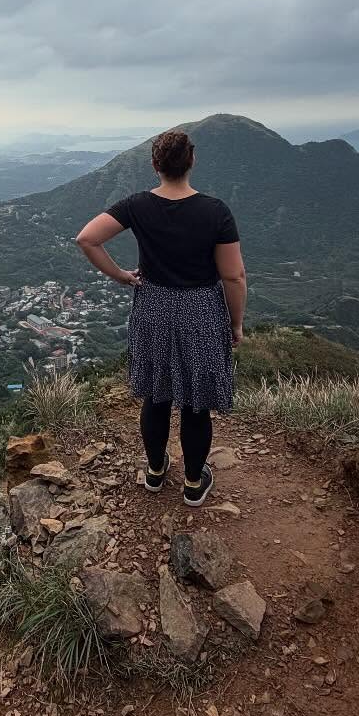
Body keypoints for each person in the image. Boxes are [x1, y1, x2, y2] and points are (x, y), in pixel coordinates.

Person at [75, 129, 245, 506]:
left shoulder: (137, 204)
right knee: (196, 401)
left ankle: (154, 471)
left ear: (155, 166)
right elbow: (233, 275)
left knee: (156, 394)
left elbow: (87, 238)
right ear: (192, 161)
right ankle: (192, 482)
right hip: (201, 309)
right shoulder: (215, 211)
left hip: (152, 306)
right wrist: (235, 323)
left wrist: (121, 275)